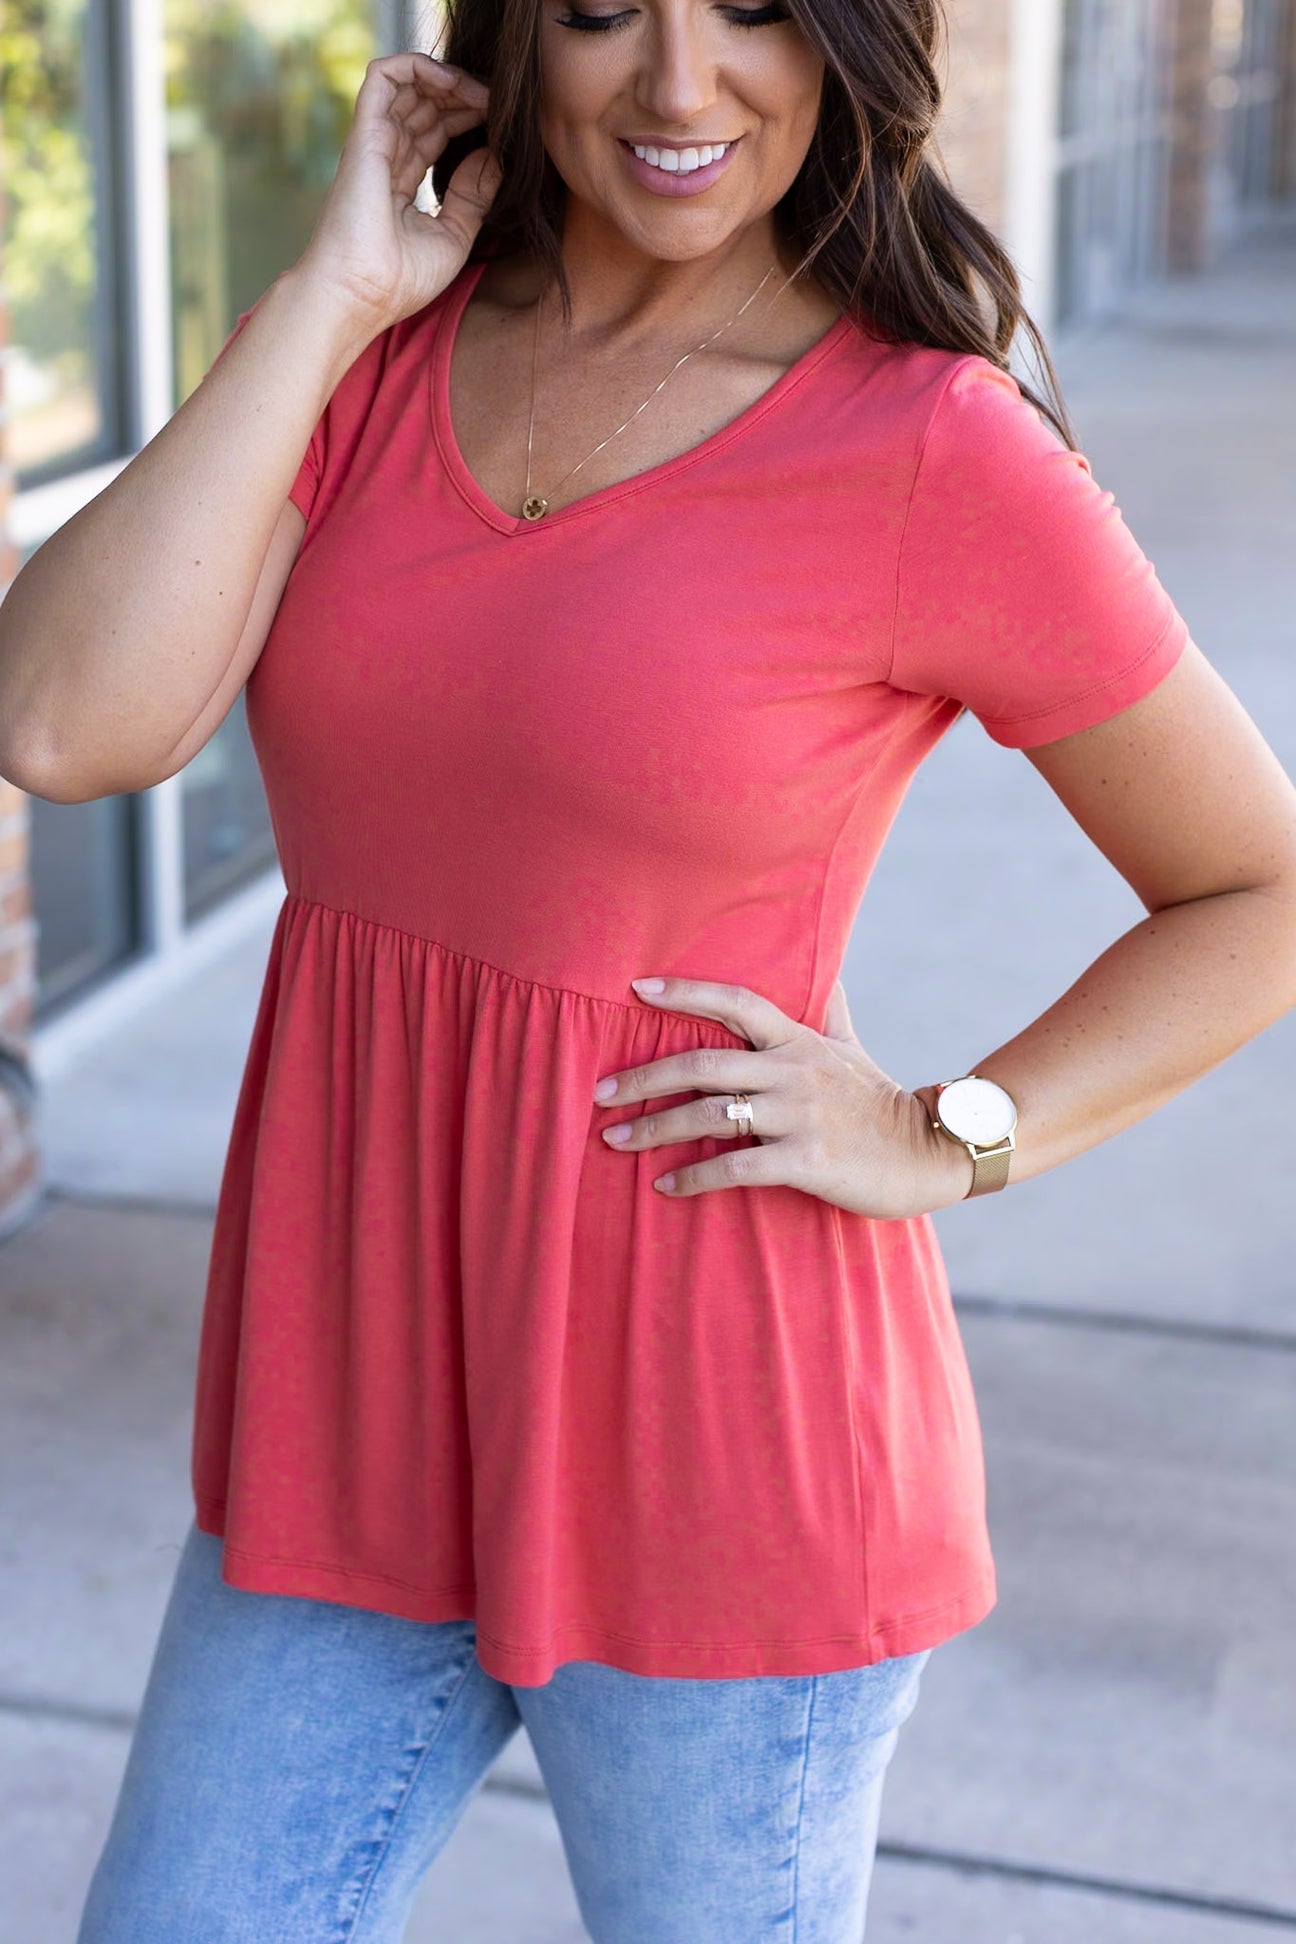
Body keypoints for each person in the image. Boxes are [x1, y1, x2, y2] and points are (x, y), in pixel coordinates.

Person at [2, 0, 1294, 1936]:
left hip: (729, 1463)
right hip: (349, 1422)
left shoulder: (929, 444)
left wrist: (950, 1131)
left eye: (756, 10)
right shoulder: (382, 351)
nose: (682, 88)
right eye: (608, 12)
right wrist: (338, 286)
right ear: (515, 33)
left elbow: (1255, 886)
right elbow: (58, 719)